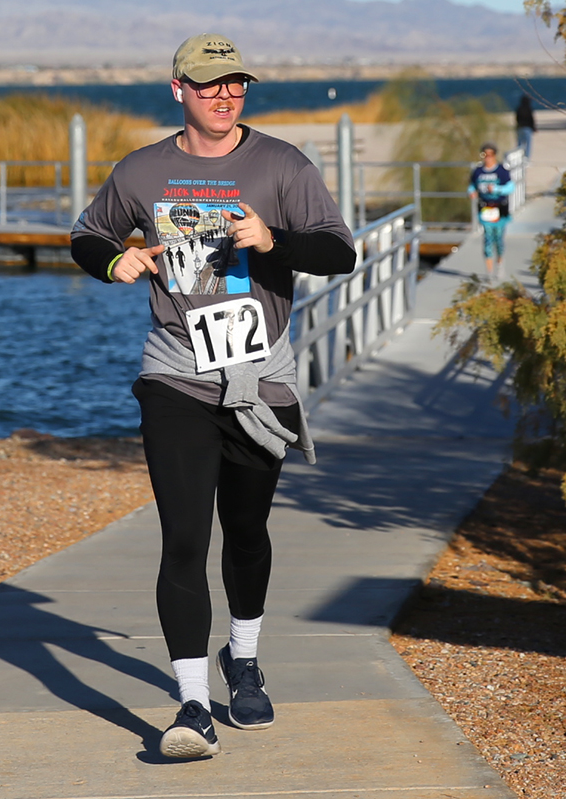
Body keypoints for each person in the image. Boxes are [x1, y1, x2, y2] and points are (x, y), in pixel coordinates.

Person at [70, 32, 356, 760]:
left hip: (261, 376)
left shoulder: (282, 165)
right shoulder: (142, 170)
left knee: (248, 530)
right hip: (175, 374)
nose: (225, 96)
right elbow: (87, 234)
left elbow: (339, 251)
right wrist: (116, 259)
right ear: (178, 91)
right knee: (185, 538)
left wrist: (274, 240)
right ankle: (192, 705)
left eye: (235, 84)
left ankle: (245, 658)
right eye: (209, 85)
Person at [468, 142, 514, 283]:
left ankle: (500, 265)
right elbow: (472, 186)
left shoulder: (501, 171)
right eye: (484, 155)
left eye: (490, 155)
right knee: (487, 239)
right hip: (485, 209)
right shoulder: (478, 171)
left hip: (499, 208)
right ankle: (489, 271)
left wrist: (495, 189)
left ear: (494, 155)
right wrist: (471, 192)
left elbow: (510, 187)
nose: (487, 158)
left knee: (499, 239)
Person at [514, 94, 535, 160]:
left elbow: (517, 118)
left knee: (520, 144)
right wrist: (533, 127)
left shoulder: (519, 108)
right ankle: (526, 158)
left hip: (520, 128)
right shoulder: (529, 109)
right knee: (528, 144)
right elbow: (531, 119)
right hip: (527, 128)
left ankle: (519, 157)